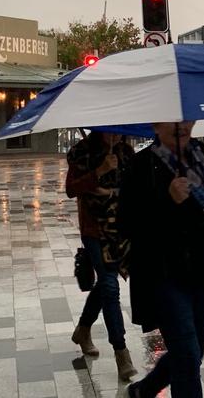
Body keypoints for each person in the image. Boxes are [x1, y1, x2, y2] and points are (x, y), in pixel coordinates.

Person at [120, 121, 204, 398]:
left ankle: (144, 390)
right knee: (186, 356)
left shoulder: (200, 152)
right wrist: (166, 198)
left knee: (193, 353)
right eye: (170, 119)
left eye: (185, 118)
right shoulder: (142, 164)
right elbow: (128, 223)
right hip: (164, 275)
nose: (180, 126)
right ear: (155, 125)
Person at [66, 131, 137, 380]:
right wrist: (98, 172)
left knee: (106, 285)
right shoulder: (81, 151)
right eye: (111, 129)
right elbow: (71, 189)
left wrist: (114, 194)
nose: (116, 134)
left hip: (121, 228)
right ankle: (121, 352)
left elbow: (135, 188)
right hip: (94, 228)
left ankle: (83, 329)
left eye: (120, 129)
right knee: (109, 284)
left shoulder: (126, 153)